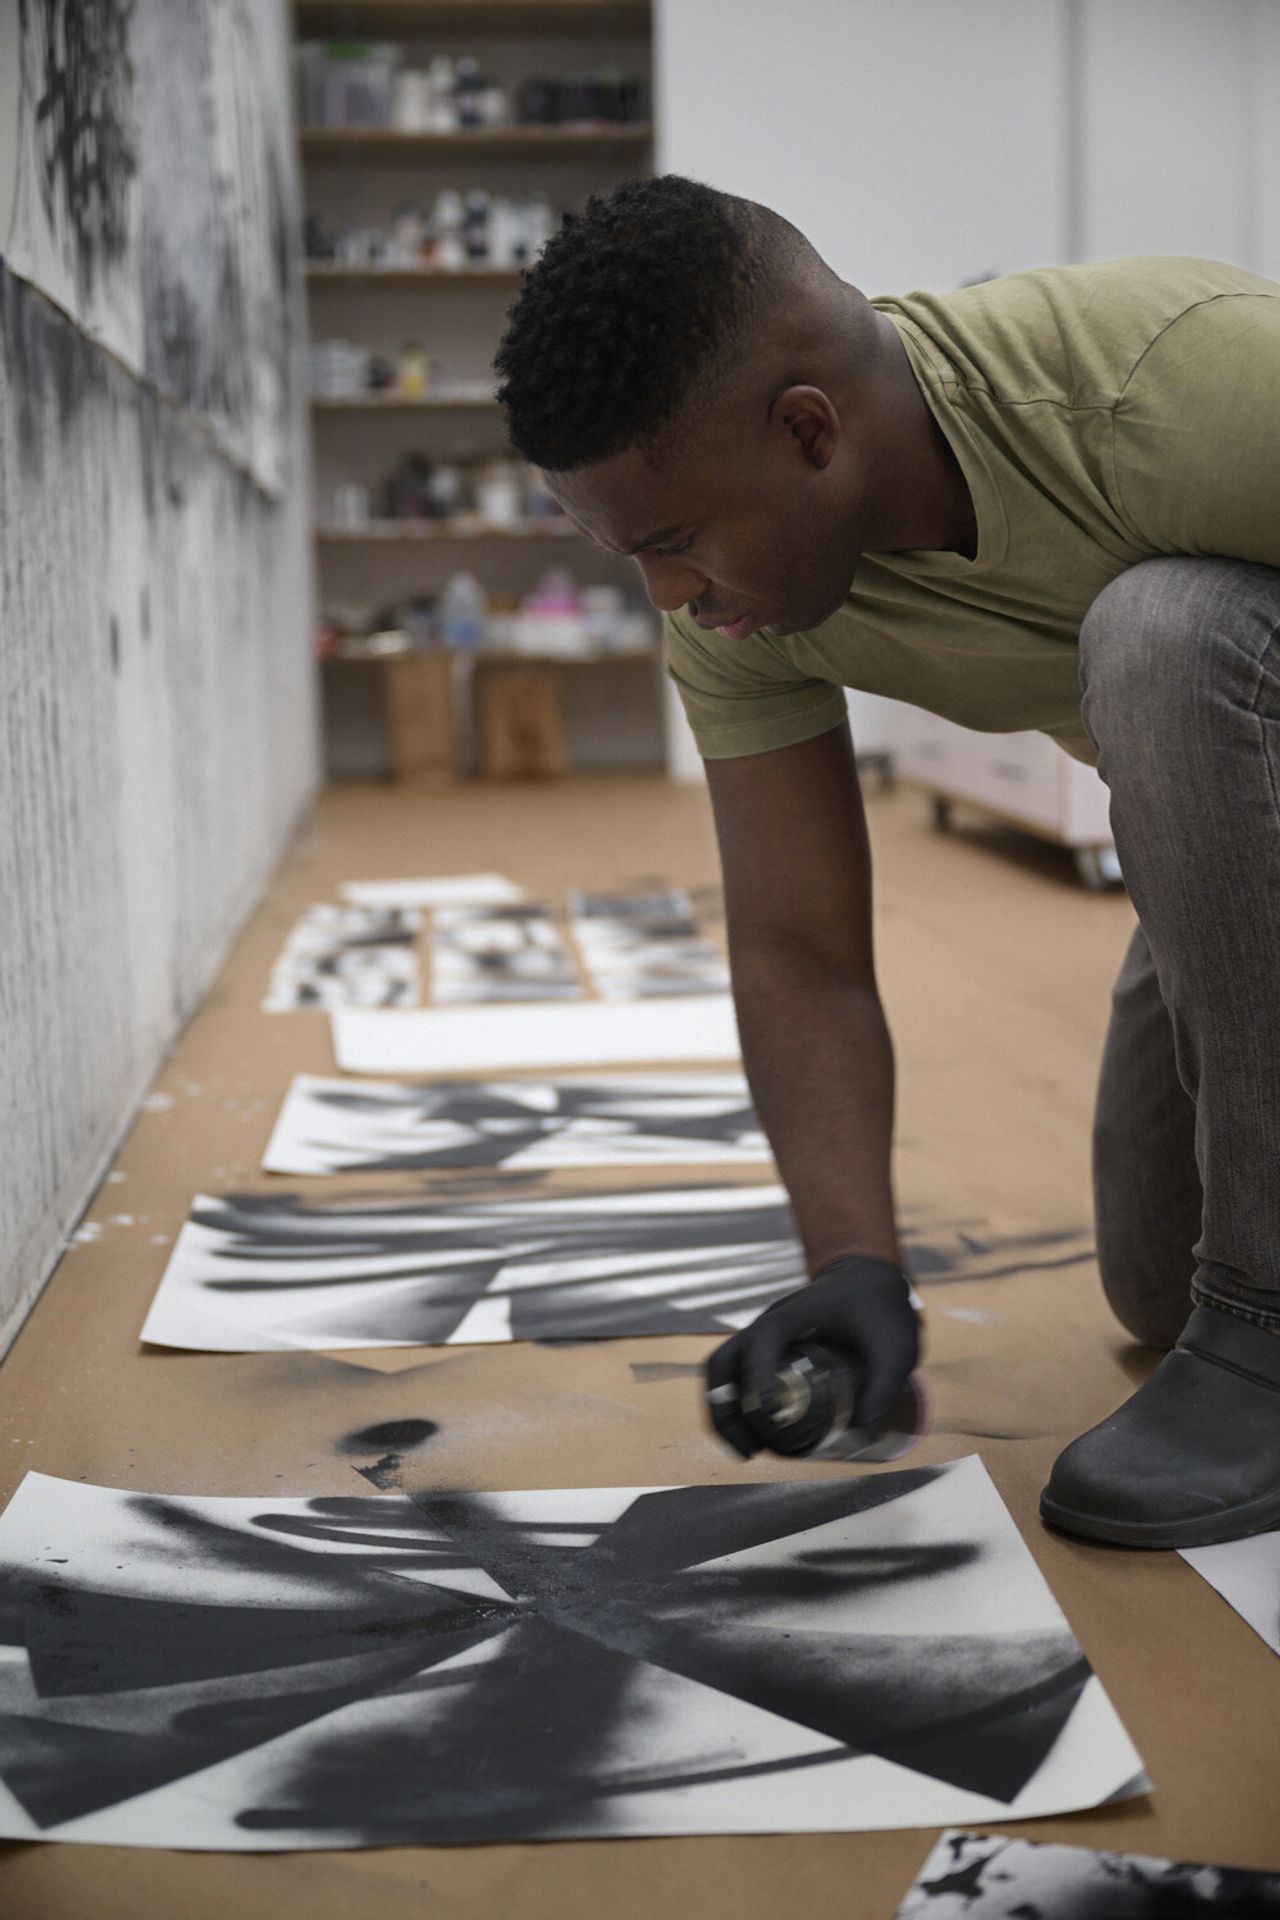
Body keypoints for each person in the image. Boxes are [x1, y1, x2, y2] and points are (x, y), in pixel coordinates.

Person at [493, 175, 1280, 1550]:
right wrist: (855, 1266)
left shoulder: (1180, 391)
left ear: (810, 430)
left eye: (673, 545)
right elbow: (797, 943)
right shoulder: (745, 609)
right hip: (1223, 843)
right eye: (635, 556)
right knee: (1161, 1290)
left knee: (1160, 637)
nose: (668, 596)